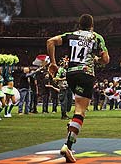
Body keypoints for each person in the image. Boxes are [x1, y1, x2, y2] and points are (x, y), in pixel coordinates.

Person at [47, 14, 109, 163]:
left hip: (71, 74)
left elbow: (50, 42)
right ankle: (67, 146)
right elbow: (106, 60)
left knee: (77, 109)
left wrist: (53, 63)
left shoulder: (71, 35)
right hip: (86, 73)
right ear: (92, 25)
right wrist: (97, 59)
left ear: (79, 25)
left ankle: (71, 128)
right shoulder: (96, 37)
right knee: (80, 111)